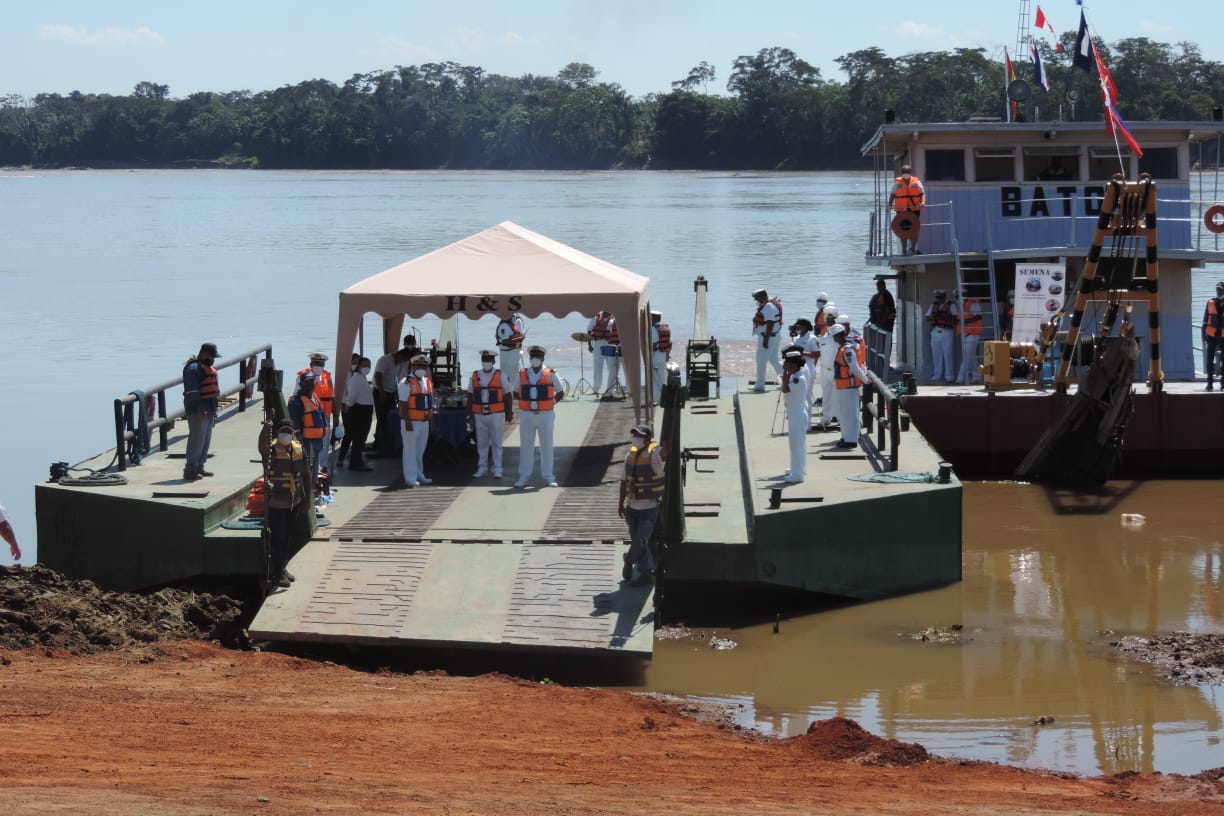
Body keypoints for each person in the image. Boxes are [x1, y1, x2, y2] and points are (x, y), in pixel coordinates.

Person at [262, 420, 309, 590]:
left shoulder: (298, 449)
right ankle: (277, 571)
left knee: (288, 536)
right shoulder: (272, 449)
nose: (286, 435)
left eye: (289, 431)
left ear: (293, 433)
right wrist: (266, 428)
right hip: (276, 502)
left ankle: (282, 567)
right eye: (283, 431)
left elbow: (306, 474)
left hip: (293, 501)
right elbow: (262, 448)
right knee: (278, 537)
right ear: (277, 433)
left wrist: (307, 498)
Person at [618, 423, 666, 586]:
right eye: (634, 435)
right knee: (640, 542)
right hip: (632, 508)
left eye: (639, 435)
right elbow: (624, 481)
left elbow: (664, 453)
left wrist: (667, 444)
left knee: (640, 541)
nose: (635, 438)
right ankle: (646, 573)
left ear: (648, 438)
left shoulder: (655, 455)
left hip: (649, 509)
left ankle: (629, 560)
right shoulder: (629, 456)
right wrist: (621, 504)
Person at [516, 345, 564, 488]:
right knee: (526, 446)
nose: (535, 359)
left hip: (546, 415)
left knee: (547, 445)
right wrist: (525, 401)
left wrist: (551, 403)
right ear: (529, 358)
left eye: (538, 356)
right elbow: (514, 391)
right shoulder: (523, 373)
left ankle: (549, 476)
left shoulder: (551, 373)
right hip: (527, 415)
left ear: (543, 358)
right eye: (532, 356)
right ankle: (523, 477)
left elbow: (560, 391)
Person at [182, 342, 220, 481]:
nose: (213, 359)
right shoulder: (193, 369)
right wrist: (200, 409)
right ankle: (190, 470)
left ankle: (200, 467)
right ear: (203, 354)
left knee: (205, 440)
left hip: (210, 409)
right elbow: (192, 392)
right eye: (211, 356)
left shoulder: (208, 368)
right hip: (198, 410)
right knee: (197, 440)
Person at [397, 353, 435, 488]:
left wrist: (431, 421)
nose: (421, 368)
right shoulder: (405, 382)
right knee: (410, 450)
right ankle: (410, 478)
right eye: (418, 365)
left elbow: (430, 404)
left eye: (423, 366)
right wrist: (407, 421)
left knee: (420, 450)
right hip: (411, 421)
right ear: (412, 366)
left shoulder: (427, 382)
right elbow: (402, 404)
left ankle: (419, 474)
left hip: (424, 421)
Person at [830, 324, 869, 449]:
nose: (835, 339)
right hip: (842, 387)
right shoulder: (843, 348)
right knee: (843, 413)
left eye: (835, 336)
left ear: (838, 336)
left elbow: (855, 368)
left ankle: (851, 439)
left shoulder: (847, 350)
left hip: (849, 387)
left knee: (851, 414)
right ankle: (846, 436)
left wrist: (864, 379)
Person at [289, 370, 329, 490]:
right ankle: (307, 494)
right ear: (301, 384)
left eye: (313, 381)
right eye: (308, 382)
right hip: (306, 441)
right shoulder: (296, 401)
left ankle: (311, 492)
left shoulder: (314, 397)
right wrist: (300, 441)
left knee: (315, 466)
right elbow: (296, 423)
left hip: (317, 439)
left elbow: (321, 414)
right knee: (307, 467)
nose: (311, 384)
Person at [469, 349, 506, 478]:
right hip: (479, 414)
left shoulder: (500, 375)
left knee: (496, 442)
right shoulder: (475, 375)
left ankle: (498, 469)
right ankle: (482, 467)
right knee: (482, 443)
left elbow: (508, 394)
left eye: (489, 360)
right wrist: (470, 412)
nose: (486, 362)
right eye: (484, 360)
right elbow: (470, 394)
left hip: (496, 413)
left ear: (494, 361)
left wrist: (509, 412)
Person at [337, 356, 374, 471]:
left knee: (359, 436)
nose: (366, 368)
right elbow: (352, 395)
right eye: (364, 365)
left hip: (364, 409)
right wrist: (348, 406)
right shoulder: (356, 378)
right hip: (360, 410)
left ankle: (355, 459)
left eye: (368, 365)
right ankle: (355, 462)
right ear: (358, 366)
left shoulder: (361, 378)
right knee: (358, 436)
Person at [781, 350, 810, 483]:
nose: (784, 366)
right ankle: (798, 469)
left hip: (797, 412)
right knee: (799, 443)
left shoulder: (798, 378)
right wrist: (786, 375)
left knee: (796, 444)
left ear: (793, 365)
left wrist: (785, 376)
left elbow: (785, 389)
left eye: (787, 364)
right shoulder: (795, 376)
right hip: (796, 411)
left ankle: (797, 475)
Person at [372, 346, 407, 454]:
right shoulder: (385, 360)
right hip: (381, 393)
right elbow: (378, 375)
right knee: (382, 419)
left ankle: (387, 442)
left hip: (390, 392)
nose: (402, 362)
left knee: (390, 418)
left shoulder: (397, 363)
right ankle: (379, 443)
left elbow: (393, 379)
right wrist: (382, 392)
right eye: (403, 359)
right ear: (400, 355)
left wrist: (396, 392)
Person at [888, 164, 925, 255]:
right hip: (901, 210)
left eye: (907, 172)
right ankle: (904, 250)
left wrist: (923, 202)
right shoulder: (897, 182)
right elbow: (892, 194)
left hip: (914, 209)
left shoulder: (916, 182)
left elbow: (922, 193)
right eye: (903, 172)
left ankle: (913, 250)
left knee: (914, 230)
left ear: (910, 172)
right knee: (903, 230)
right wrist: (889, 205)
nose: (905, 173)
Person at [751, 289, 783, 393]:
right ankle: (787, 380)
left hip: (768, 337)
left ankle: (760, 385)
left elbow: (770, 323)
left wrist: (766, 339)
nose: (756, 300)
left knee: (761, 361)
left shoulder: (768, 307)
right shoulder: (770, 302)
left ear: (763, 296)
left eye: (757, 298)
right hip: (774, 336)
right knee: (774, 360)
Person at [925, 290, 958, 384]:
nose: (938, 299)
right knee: (936, 355)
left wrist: (944, 316)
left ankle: (949, 376)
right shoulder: (933, 305)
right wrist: (935, 317)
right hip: (935, 331)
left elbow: (955, 318)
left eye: (940, 297)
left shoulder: (951, 305)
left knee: (948, 354)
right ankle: (937, 375)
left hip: (947, 332)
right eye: (937, 297)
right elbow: (927, 317)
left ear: (944, 297)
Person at [815, 306, 840, 426]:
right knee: (826, 395)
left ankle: (840, 418)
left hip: (836, 370)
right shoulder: (822, 338)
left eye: (832, 322)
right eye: (828, 322)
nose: (830, 324)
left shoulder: (840, 338)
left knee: (838, 395)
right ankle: (826, 418)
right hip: (824, 370)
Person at [496, 311, 526, 407]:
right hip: (507, 355)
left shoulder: (515, 323)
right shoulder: (503, 326)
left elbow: (518, 334)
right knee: (507, 375)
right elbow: (505, 341)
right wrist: (518, 340)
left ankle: (514, 393)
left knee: (515, 374)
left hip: (514, 353)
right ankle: (507, 394)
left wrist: (520, 341)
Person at [867, 278, 897, 373]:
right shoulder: (876, 297)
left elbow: (891, 311)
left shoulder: (888, 297)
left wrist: (883, 323)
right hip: (876, 326)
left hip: (886, 326)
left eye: (880, 286)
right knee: (877, 345)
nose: (879, 288)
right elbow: (871, 308)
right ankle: (879, 363)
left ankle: (885, 365)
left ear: (884, 286)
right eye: (878, 286)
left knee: (886, 345)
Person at [297, 352, 335, 425]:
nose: (318, 366)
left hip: (326, 414)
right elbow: (297, 396)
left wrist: (335, 415)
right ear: (311, 365)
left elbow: (332, 397)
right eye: (316, 364)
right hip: (310, 414)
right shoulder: (303, 377)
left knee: (325, 434)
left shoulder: (327, 376)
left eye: (321, 364)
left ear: (324, 365)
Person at [587, 309, 619, 397]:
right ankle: (596, 388)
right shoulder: (595, 318)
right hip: (598, 345)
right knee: (597, 367)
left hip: (610, 344)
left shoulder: (614, 319)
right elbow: (589, 331)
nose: (609, 312)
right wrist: (589, 345)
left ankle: (611, 389)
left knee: (612, 367)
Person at [956, 289, 984, 385]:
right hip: (965, 335)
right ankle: (977, 376)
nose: (957, 298)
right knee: (971, 358)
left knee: (966, 357)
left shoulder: (973, 304)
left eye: (958, 296)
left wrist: (965, 322)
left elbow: (978, 316)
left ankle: (960, 378)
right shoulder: (961, 305)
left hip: (972, 335)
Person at [1204, 281, 1224, 391]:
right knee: (1209, 360)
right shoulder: (1210, 302)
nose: (1218, 291)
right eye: (1217, 289)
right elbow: (1205, 320)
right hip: (1211, 336)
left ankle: (1223, 383)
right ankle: (1209, 383)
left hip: (1223, 337)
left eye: (1220, 289)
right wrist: (1203, 337)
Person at [650, 310, 671, 403]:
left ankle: (658, 399)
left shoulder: (653, 329)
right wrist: (667, 354)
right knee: (661, 377)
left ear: (654, 318)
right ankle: (664, 397)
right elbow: (669, 343)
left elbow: (653, 344)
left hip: (655, 355)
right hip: (663, 354)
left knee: (654, 377)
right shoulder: (665, 328)